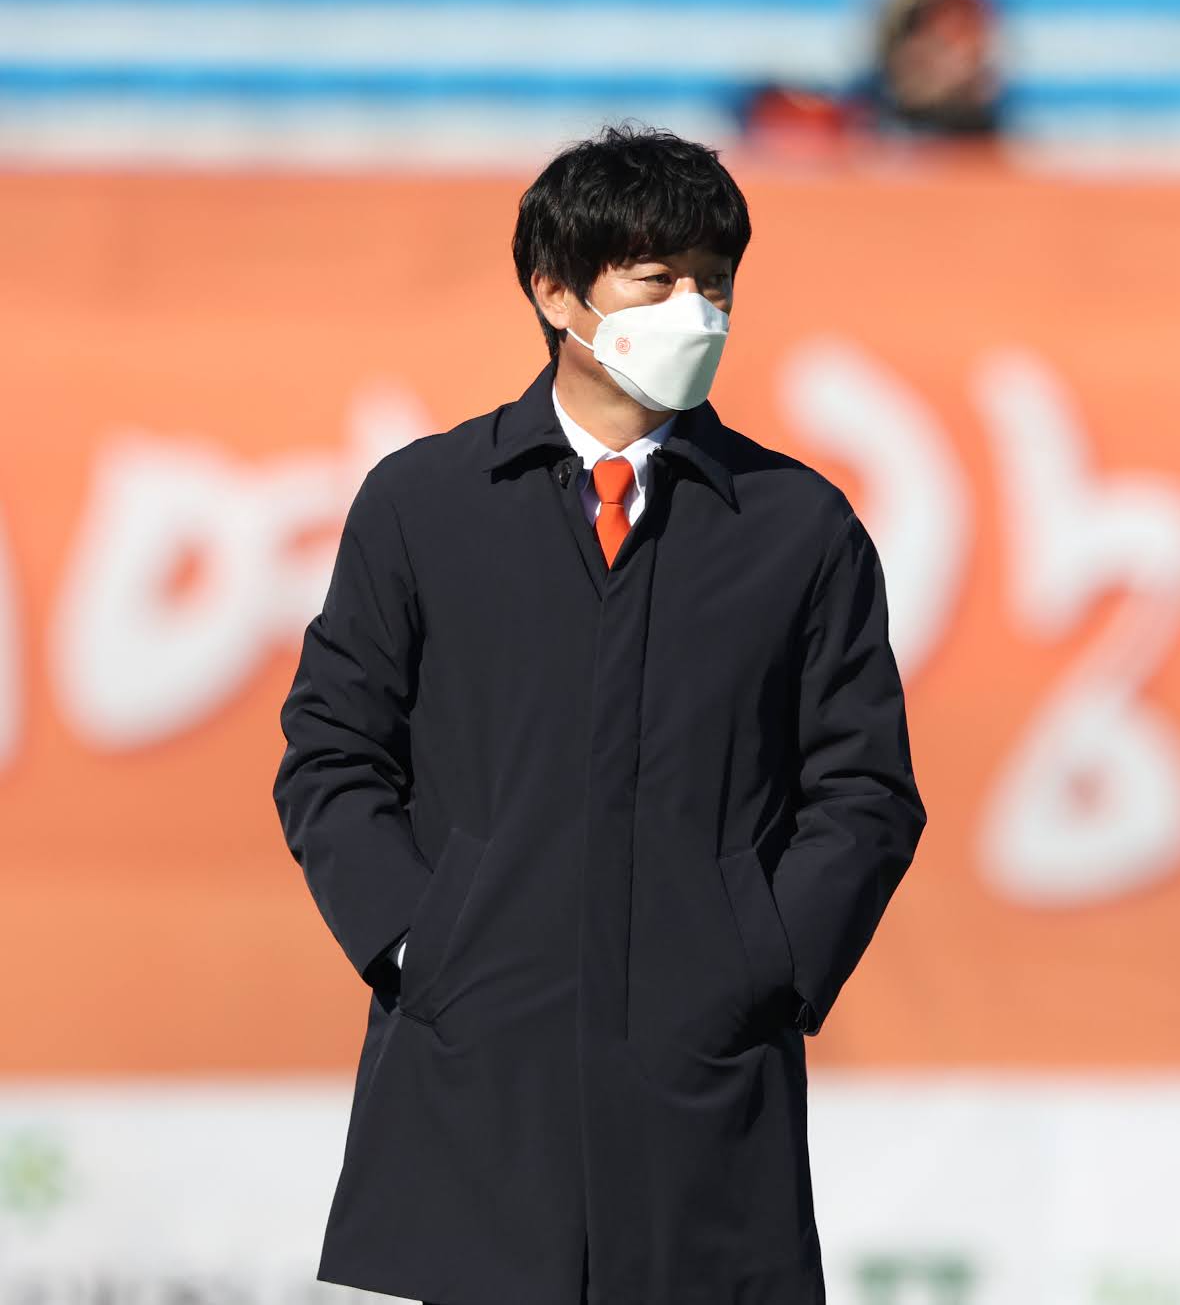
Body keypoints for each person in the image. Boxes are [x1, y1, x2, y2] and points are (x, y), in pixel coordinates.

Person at [272, 120, 926, 1303]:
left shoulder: (797, 528)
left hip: (703, 1072)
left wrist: (764, 961)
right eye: (656, 280)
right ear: (554, 291)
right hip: (478, 1061)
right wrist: (421, 941)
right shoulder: (425, 504)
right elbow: (331, 751)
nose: (696, 312)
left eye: (715, 283)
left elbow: (864, 789)